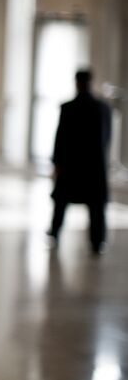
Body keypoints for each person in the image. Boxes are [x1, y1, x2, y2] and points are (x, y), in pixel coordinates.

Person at [48, 69, 112, 255]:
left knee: (61, 201)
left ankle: (55, 232)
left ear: (76, 82)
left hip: (71, 165)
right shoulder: (102, 108)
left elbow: (60, 139)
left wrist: (57, 163)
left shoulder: (68, 107)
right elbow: (107, 138)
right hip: (94, 166)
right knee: (96, 206)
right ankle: (98, 241)